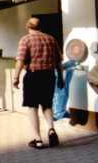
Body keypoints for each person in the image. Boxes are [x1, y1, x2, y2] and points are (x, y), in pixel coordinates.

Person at [13, 17, 64, 149]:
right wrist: (61, 78)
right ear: (41, 26)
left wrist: (16, 77)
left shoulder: (25, 40)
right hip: (49, 76)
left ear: (27, 26)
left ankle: (38, 139)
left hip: (33, 76)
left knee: (32, 107)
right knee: (47, 104)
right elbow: (59, 61)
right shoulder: (51, 39)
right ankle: (51, 129)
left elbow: (20, 60)